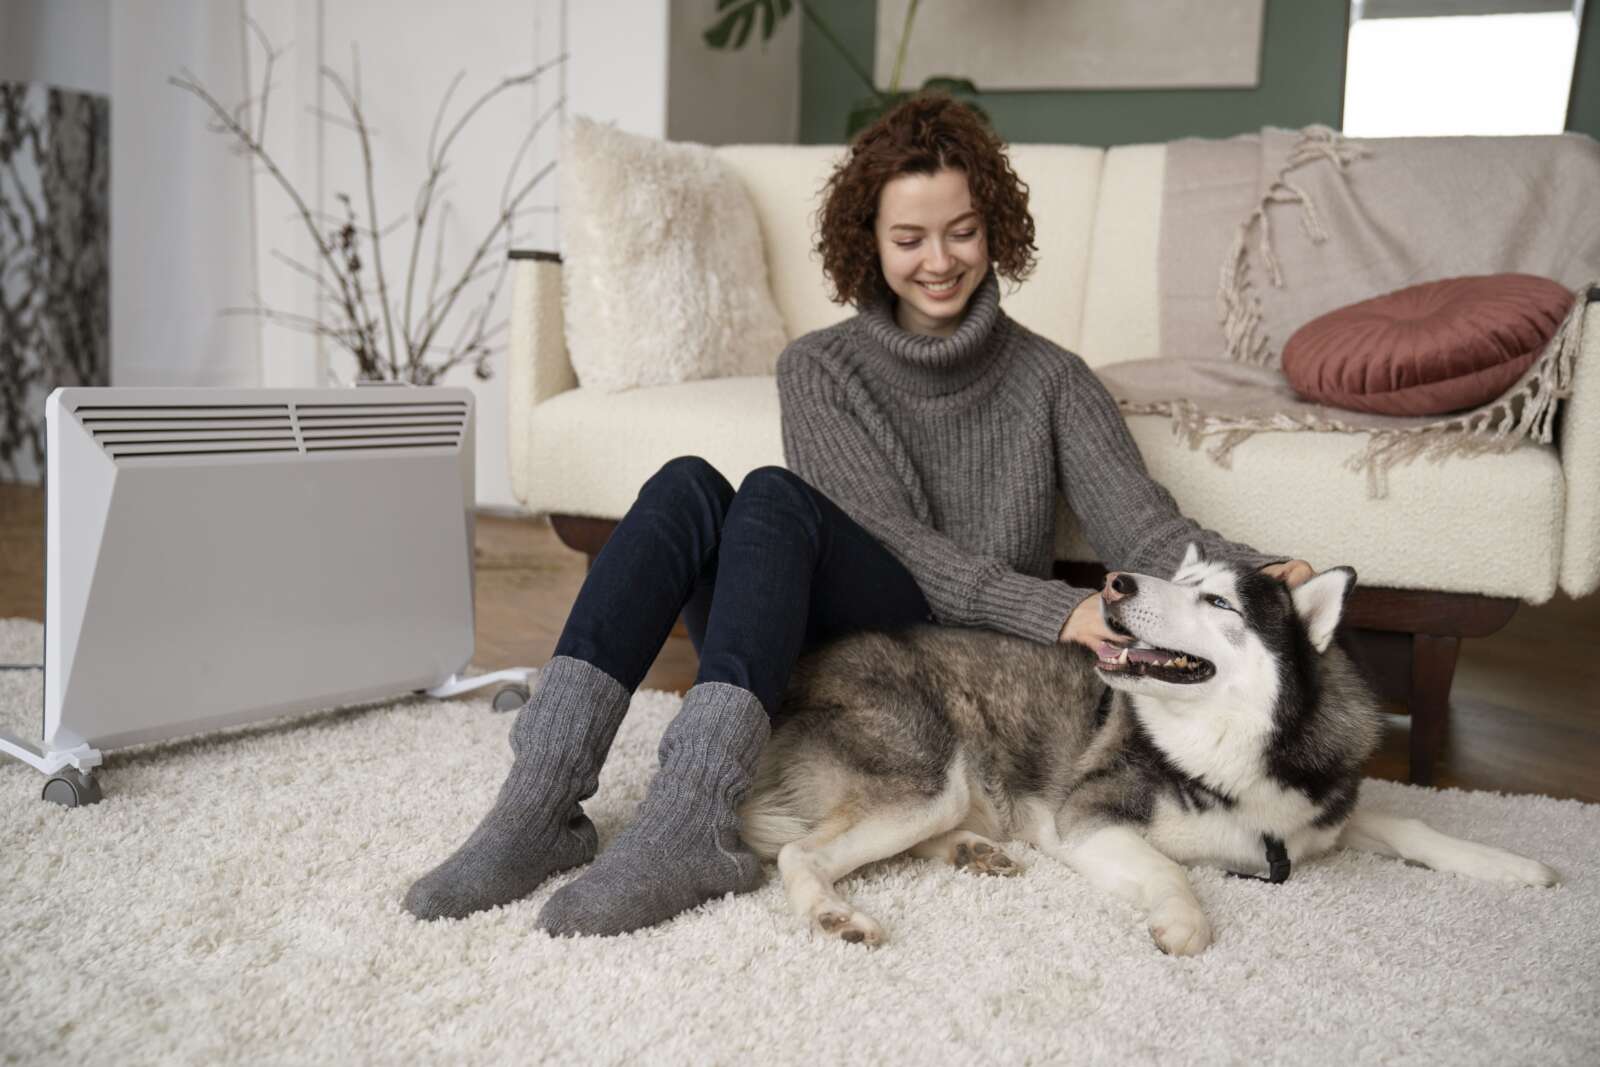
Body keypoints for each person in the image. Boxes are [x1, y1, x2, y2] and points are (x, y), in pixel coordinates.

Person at [403, 92, 1312, 937]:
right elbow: (892, 539)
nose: (939, 260)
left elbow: (1143, 527)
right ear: (868, 242)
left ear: (995, 229)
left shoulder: (1054, 380)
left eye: (962, 231)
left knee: (768, 493)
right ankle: (540, 800)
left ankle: (691, 819)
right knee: (686, 485)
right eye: (909, 237)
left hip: (944, 674)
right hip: (805, 640)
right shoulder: (819, 369)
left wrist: (1254, 574)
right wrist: (1055, 607)